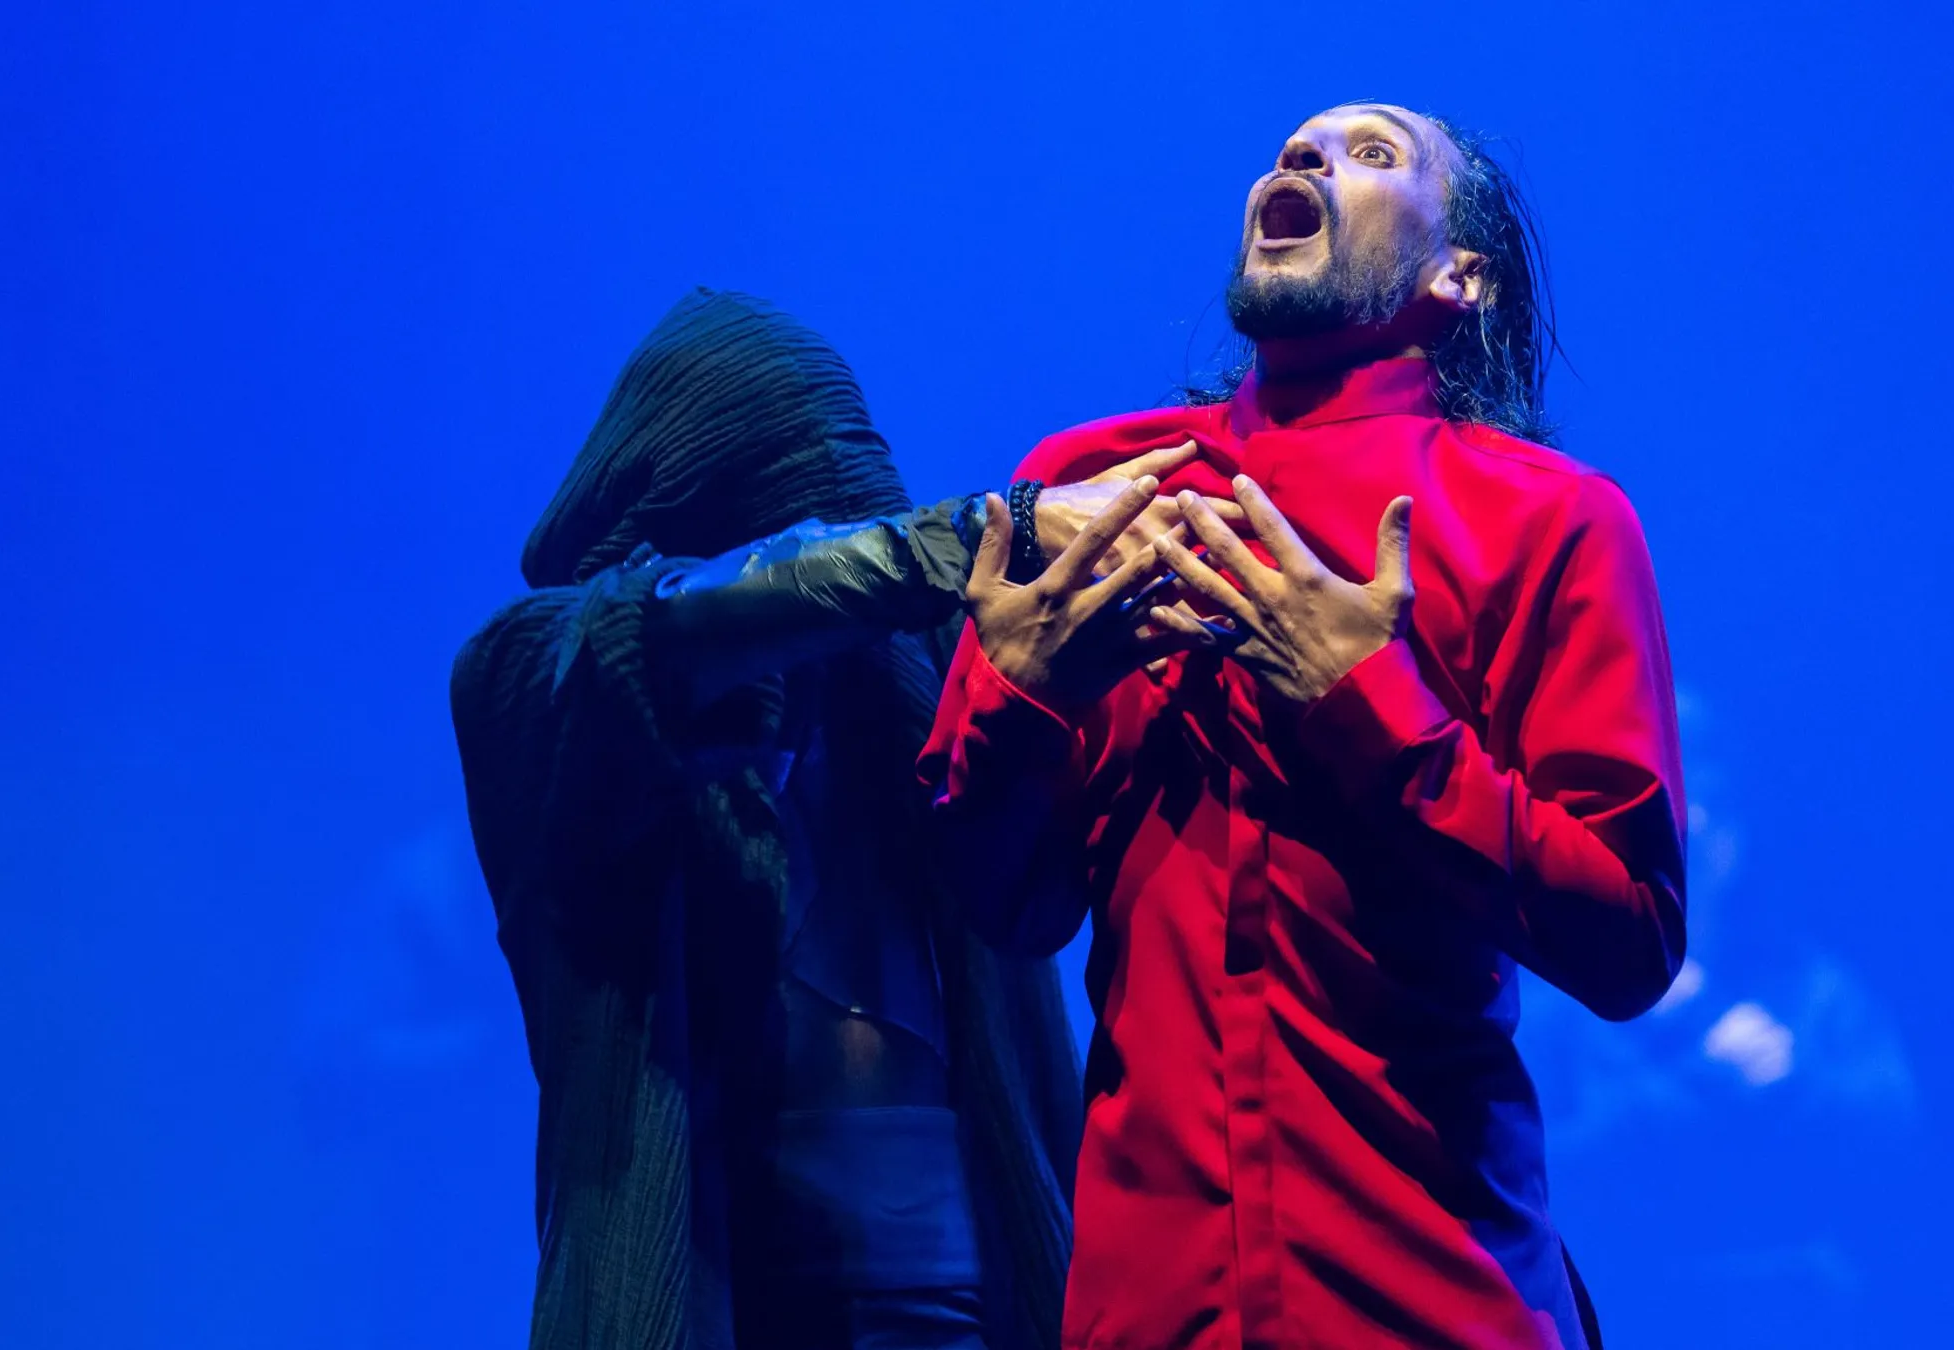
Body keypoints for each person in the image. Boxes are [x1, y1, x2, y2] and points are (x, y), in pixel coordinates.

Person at [922, 104, 1687, 1350]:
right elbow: (1005, 909)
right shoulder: (1095, 490)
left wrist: (1370, 711)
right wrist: (1021, 696)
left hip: (1437, 1305)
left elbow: (1631, 936)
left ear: (1460, 274)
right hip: (1144, 1314)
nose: (1302, 159)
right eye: (1292, 147)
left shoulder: (1551, 521)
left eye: (1373, 153)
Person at [449, 288, 1219, 1350]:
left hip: (976, 1302)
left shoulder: (909, 695)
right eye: (808, 516)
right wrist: (974, 536)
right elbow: (665, 633)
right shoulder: (536, 670)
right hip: (720, 1304)